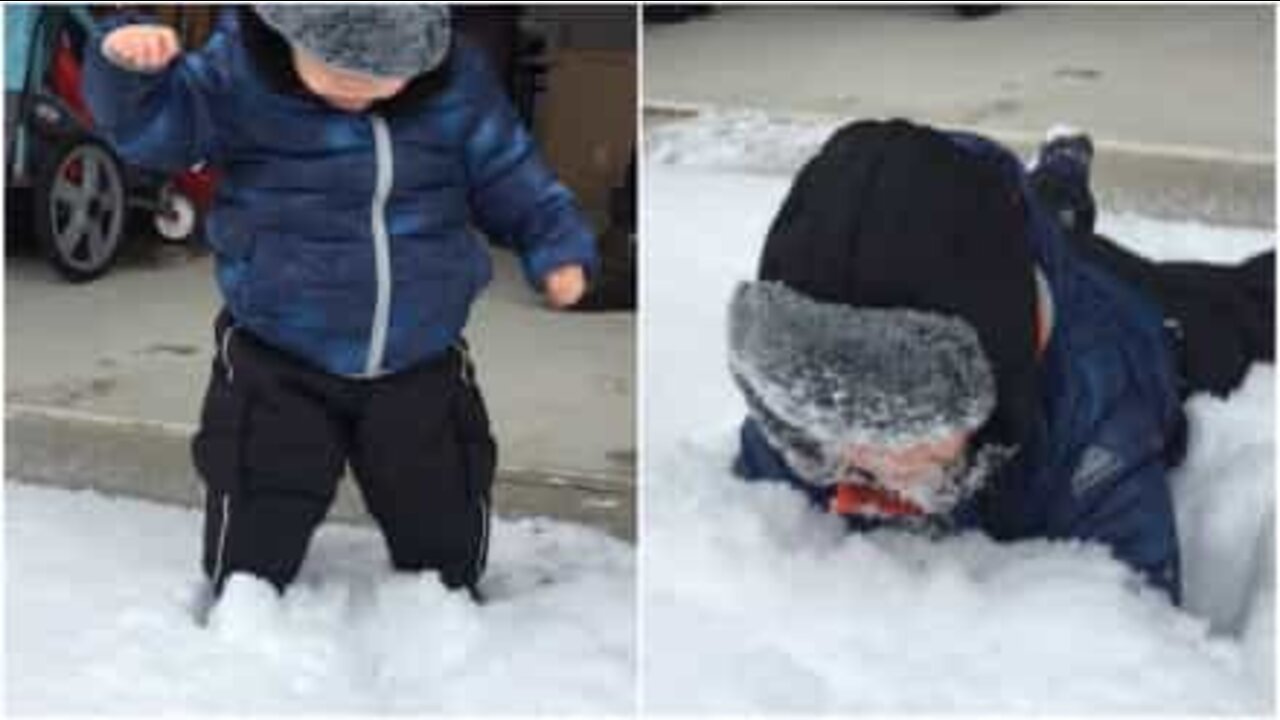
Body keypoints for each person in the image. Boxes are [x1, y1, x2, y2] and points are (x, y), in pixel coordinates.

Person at [83, 5, 598, 601]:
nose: (359, 91)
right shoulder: (240, 74)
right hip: (278, 353)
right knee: (257, 506)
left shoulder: (456, 84)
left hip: (420, 355)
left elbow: (510, 170)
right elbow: (157, 133)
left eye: (382, 74)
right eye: (337, 70)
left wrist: (555, 244)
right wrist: (128, 68)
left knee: (441, 509)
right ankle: (246, 604)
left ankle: (445, 597)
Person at [730, 118, 1274, 604]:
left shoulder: (1093, 425)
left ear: (997, 373)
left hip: (1134, 310)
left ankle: (1061, 184)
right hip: (1020, 264)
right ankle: (1059, 175)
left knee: (1240, 307)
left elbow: (1134, 627)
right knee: (1049, 217)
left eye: (911, 420)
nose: (871, 456)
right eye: (835, 416)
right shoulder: (806, 426)